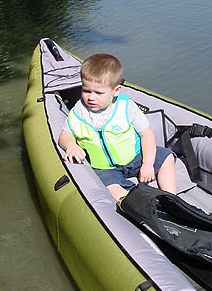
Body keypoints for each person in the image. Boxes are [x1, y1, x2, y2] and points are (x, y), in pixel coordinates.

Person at [58, 53, 176, 201]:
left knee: (166, 157)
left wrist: (147, 164)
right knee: (108, 187)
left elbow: (146, 134)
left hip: (136, 158)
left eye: (99, 93)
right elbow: (65, 135)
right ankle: (138, 204)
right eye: (86, 90)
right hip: (105, 169)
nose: (91, 97)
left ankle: (172, 199)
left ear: (116, 90)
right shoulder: (78, 112)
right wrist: (71, 145)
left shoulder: (126, 106)